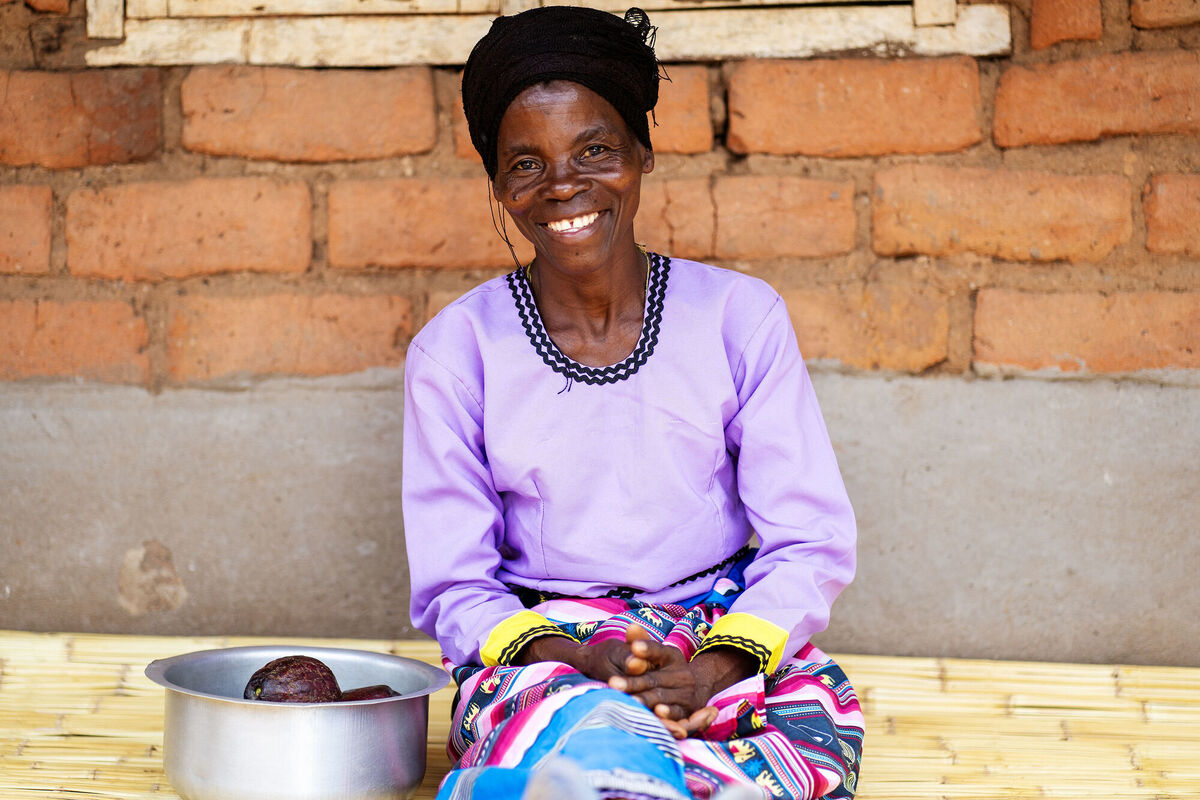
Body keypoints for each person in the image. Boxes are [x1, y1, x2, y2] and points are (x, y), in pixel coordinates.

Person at [402, 6, 864, 798]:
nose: (564, 186)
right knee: (558, 726)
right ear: (501, 189)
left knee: (811, 720)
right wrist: (583, 658)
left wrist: (712, 669)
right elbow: (455, 585)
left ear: (642, 154)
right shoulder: (454, 354)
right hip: (551, 655)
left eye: (596, 150)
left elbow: (810, 539)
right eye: (526, 165)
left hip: (723, 637)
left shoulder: (738, 318)